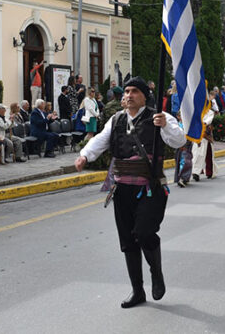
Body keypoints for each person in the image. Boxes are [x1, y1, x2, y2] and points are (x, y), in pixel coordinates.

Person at [74, 77, 186, 308]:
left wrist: (165, 124)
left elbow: (179, 141)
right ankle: (137, 291)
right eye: (126, 91)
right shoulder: (116, 119)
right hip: (122, 188)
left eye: (135, 91)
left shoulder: (159, 117)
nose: (129, 95)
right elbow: (101, 141)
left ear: (144, 96)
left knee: (144, 233)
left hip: (150, 188)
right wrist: (85, 155)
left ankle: (156, 273)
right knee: (128, 241)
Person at [191, 108, 217, 181]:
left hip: (206, 134)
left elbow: (209, 119)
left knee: (209, 154)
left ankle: (209, 172)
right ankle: (196, 172)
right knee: (197, 152)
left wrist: (203, 123)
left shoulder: (210, 111)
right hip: (198, 133)